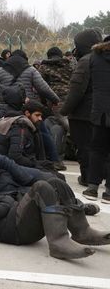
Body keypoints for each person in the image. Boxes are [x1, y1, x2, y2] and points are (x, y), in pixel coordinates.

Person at [60, 29, 103, 186]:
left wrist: (64, 110)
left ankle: (87, 177)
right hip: (100, 111)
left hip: (82, 114)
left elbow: (76, 91)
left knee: (84, 147)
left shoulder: (86, 61)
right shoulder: (103, 59)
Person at [83, 35, 110, 203]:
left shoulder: (94, 57)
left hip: (99, 111)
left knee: (96, 149)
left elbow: (88, 83)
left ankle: (92, 187)